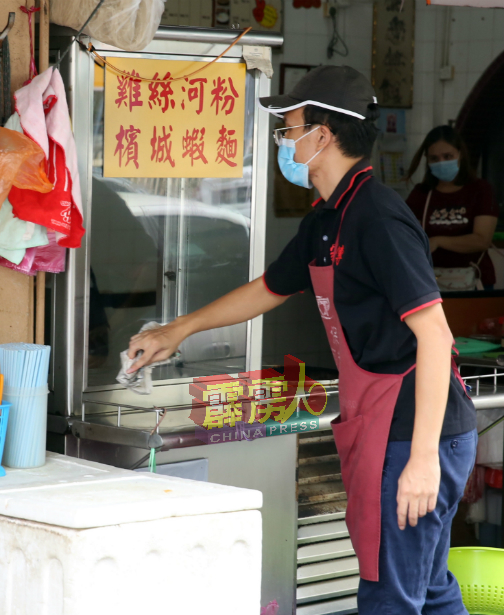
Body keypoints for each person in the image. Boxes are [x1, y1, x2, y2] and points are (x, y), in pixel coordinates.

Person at [125, 66, 477, 614]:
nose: (284, 142)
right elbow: (269, 287)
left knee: (391, 596)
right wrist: (177, 330)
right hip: (388, 423)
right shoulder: (325, 219)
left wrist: (424, 461)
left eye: (290, 129)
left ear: (324, 134)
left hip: (416, 430)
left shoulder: (378, 218)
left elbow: (434, 335)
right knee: (427, 592)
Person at [405, 125, 498, 291]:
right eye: (434, 159)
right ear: (427, 160)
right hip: (430, 283)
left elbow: (482, 240)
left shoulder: (481, 190)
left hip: (475, 281)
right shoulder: (421, 194)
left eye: (448, 156)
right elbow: (409, 238)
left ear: (460, 154)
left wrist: (438, 241)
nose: (441, 162)